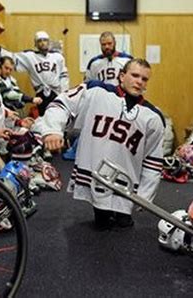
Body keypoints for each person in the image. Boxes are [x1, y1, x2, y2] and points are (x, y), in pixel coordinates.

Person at [36, 58, 165, 230]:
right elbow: (62, 104)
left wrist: (145, 196)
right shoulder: (96, 91)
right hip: (96, 176)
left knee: (124, 228)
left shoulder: (153, 116)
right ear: (121, 76)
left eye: (144, 79)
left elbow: (153, 161)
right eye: (135, 75)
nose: (139, 81)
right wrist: (53, 129)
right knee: (101, 226)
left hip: (127, 183)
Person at [0, 31, 69, 115]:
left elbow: (64, 75)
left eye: (45, 40)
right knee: (44, 117)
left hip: (56, 92)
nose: (43, 43)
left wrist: (64, 93)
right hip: (40, 92)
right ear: (35, 44)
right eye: (39, 41)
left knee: (58, 115)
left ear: (49, 42)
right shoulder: (30, 56)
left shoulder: (58, 57)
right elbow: (12, 57)